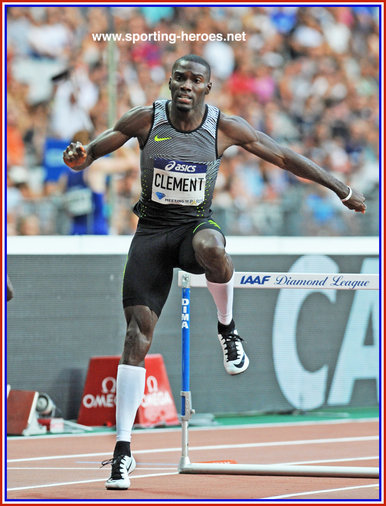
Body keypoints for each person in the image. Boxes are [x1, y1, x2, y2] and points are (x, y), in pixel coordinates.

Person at [63, 54, 366, 490]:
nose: (187, 85)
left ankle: (227, 329)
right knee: (135, 338)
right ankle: (122, 452)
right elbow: (93, 151)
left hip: (192, 228)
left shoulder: (224, 127)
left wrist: (341, 188)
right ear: (170, 82)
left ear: (208, 87)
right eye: (180, 77)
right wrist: (81, 155)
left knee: (213, 248)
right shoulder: (145, 119)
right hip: (151, 234)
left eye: (196, 80)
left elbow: (281, 155)